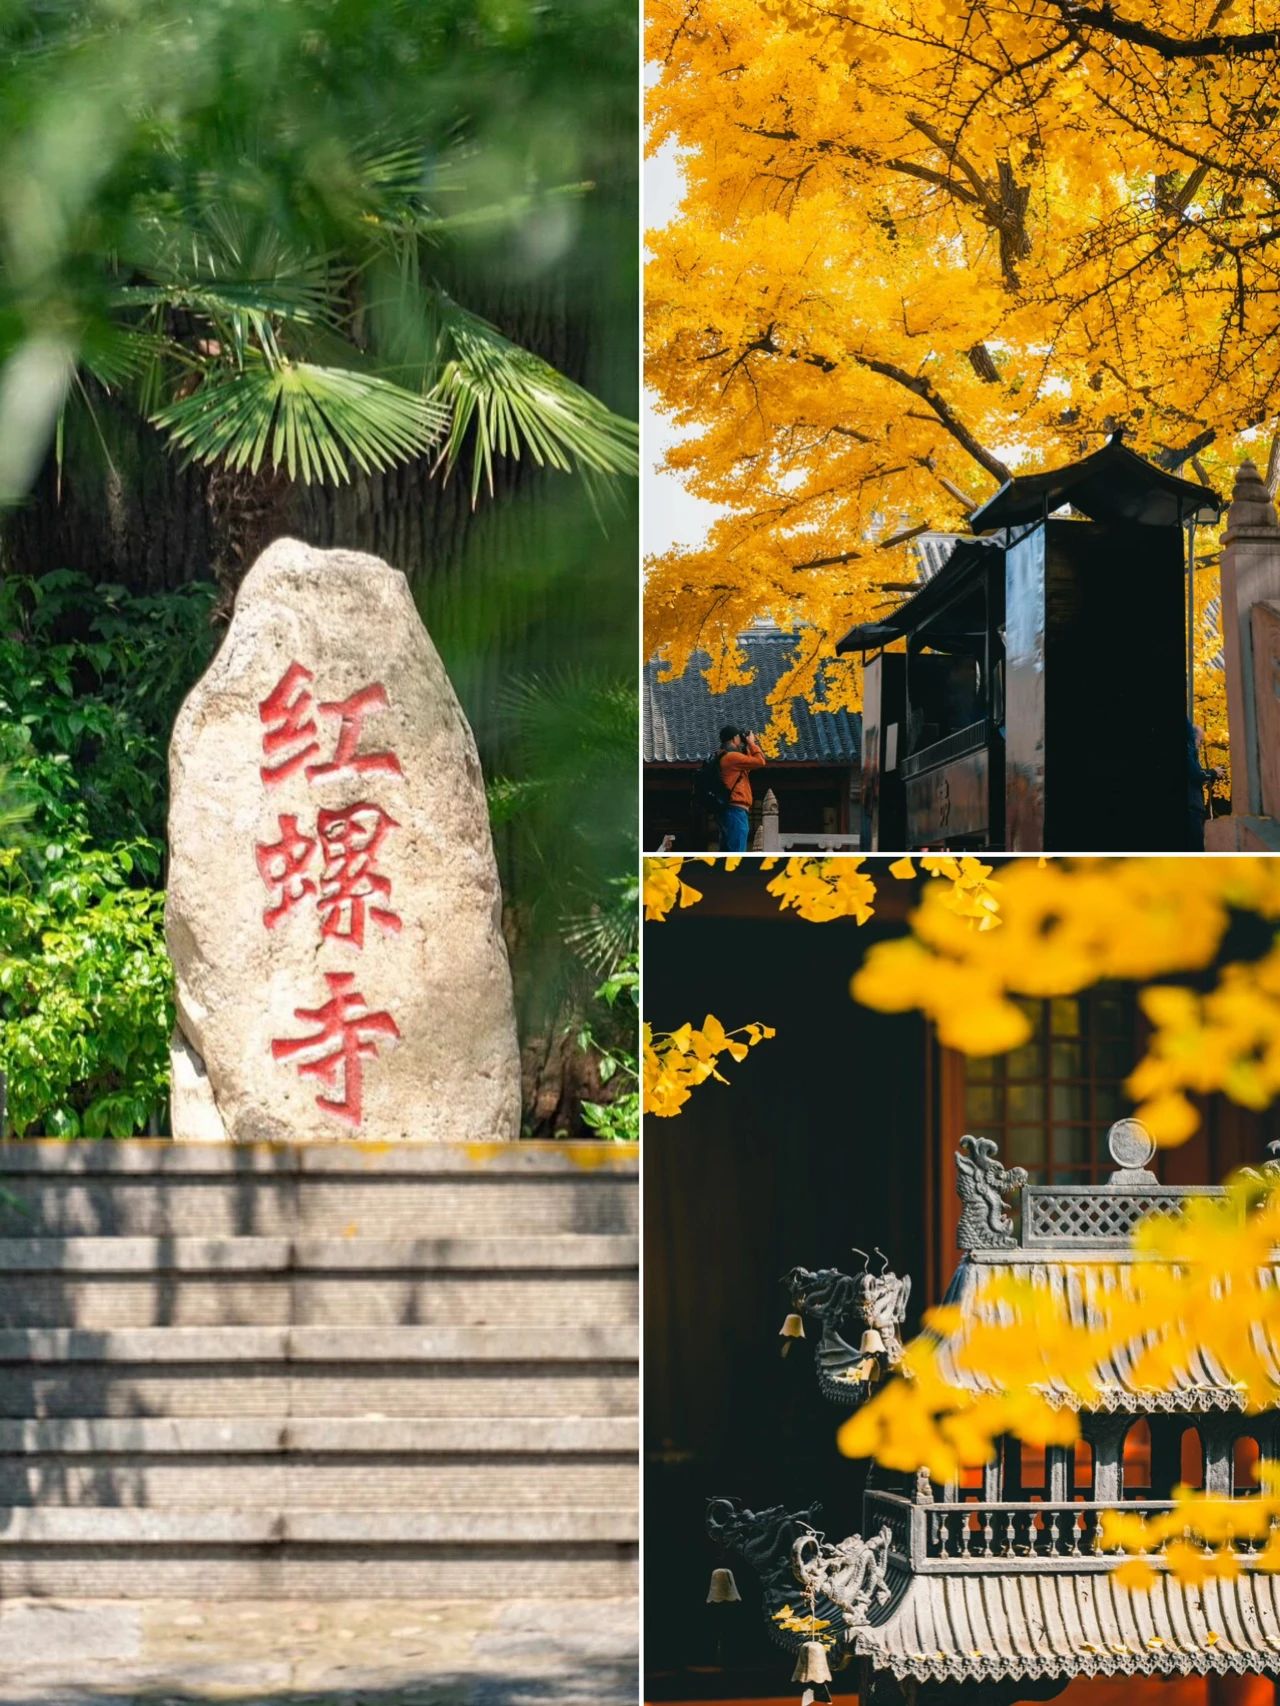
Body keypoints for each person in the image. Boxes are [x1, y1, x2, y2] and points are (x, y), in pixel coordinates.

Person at [717, 725, 765, 853]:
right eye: (739, 737)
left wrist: (748, 747)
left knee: (728, 852)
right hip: (735, 810)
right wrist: (751, 742)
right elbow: (760, 761)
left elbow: (747, 767)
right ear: (734, 738)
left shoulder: (723, 756)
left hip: (728, 810)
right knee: (737, 853)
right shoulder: (732, 757)